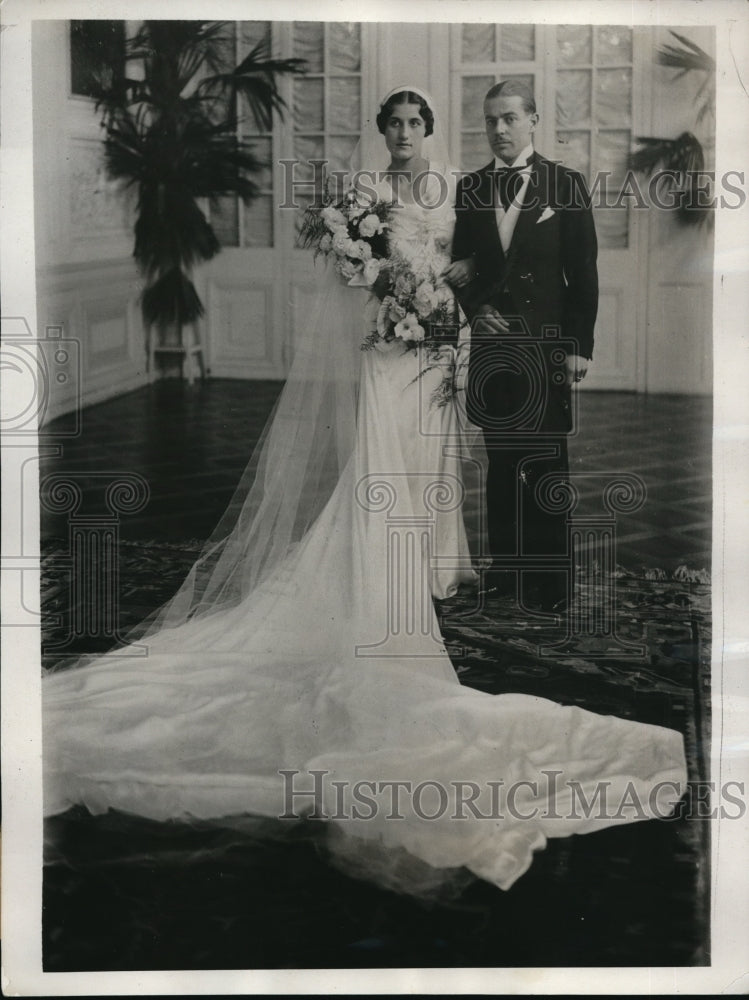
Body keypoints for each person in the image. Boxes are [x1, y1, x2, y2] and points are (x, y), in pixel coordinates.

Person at [42, 85, 686, 898]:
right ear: (383, 132)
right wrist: (392, 286)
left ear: (518, 123)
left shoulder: (479, 184)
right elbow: (380, 266)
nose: (412, 134)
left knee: (468, 465)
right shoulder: (379, 192)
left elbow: (498, 265)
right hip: (396, 346)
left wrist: (462, 311)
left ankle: (458, 568)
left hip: (450, 344)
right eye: (399, 125)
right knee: (404, 465)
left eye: (422, 123)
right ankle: (388, 563)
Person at [451, 79, 598, 613]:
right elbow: (462, 268)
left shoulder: (566, 184)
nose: (499, 129)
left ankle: (552, 582)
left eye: (509, 118)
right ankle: (507, 574)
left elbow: (583, 272)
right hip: (494, 347)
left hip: (548, 344)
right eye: (491, 120)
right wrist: (475, 310)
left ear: (533, 120)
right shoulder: (470, 188)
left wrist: (580, 345)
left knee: (546, 464)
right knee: (502, 461)